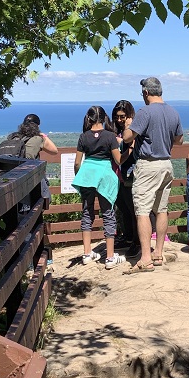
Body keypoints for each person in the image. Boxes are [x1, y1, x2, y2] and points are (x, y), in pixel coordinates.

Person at [121, 76, 183, 271]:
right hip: (166, 164)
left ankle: (145, 258)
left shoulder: (145, 112)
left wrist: (128, 126)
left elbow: (127, 137)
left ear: (146, 93)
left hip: (148, 165)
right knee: (161, 209)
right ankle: (158, 253)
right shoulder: (173, 112)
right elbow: (179, 140)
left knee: (142, 211)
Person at [71, 106, 126, 270]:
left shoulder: (83, 137)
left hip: (87, 175)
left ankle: (87, 254)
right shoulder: (110, 136)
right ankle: (110, 258)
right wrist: (129, 150)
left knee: (87, 213)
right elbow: (118, 160)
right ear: (104, 118)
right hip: (104, 175)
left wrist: (79, 175)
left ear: (89, 118)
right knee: (108, 214)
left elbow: (77, 162)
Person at [112, 100, 138, 253]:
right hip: (120, 174)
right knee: (124, 208)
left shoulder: (133, 129)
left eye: (123, 117)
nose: (119, 120)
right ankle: (128, 237)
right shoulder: (118, 130)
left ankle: (136, 240)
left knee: (132, 208)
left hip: (131, 173)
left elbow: (133, 148)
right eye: (117, 117)